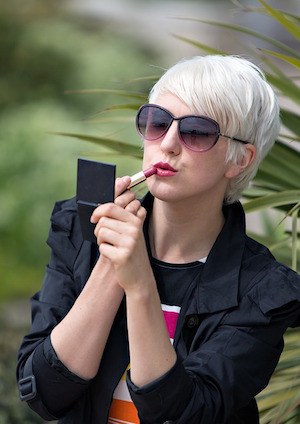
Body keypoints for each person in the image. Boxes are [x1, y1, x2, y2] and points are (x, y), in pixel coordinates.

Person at [17, 55, 300, 424]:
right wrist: (110, 264)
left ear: (240, 159)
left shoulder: (264, 292)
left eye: (197, 131)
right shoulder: (82, 229)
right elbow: (43, 393)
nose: (167, 143)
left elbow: (184, 414)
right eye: (158, 122)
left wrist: (139, 286)